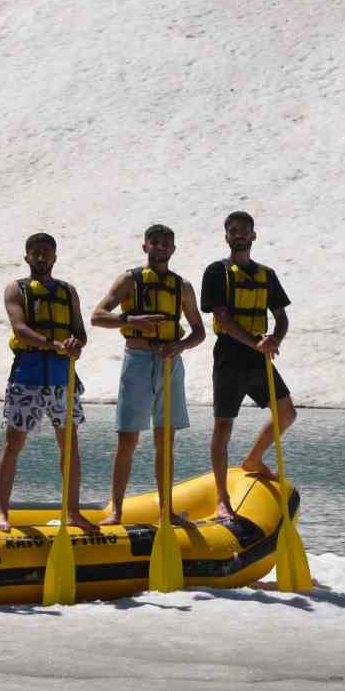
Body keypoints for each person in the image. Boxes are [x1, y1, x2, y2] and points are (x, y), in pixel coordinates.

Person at [90, 223, 205, 527]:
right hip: (138, 360)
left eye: (166, 243)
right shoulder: (130, 280)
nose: (160, 247)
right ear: (145, 246)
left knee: (165, 440)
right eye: (154, 242)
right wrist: (131, 320)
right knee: (127, 439)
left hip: (169, 364)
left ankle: (166, 511)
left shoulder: (183, 286)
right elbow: (97, 316)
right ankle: (116, 510)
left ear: (173, 249)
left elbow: (199, 331)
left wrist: (179, 346)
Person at [0, 232, 98, 534]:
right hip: (27, 377)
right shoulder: (17, 289)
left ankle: (73, 511)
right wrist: (54, 344)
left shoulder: (68, 292)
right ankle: (2, 513)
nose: (41, 257)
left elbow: (80, 331)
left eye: (47, 252)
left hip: (62, 379)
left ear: (55, 256)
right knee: (14, 442)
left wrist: (76, 343)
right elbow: (20, 328)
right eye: (36, 252)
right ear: (26, 256)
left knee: (69, 444)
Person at [201, 210, 296, 521]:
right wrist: (257, 342)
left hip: (259, 354)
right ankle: (221, 497)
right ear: (226, 236)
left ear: (254, 235)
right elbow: (223, 320)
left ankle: (253, 460)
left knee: (286, 413)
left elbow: (281, 317)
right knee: (223, 425)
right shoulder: (217, 272)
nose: (239, 234)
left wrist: (274, 340)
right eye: (233, 230)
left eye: (244, 230)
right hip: (230, 355)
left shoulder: (266, 275)